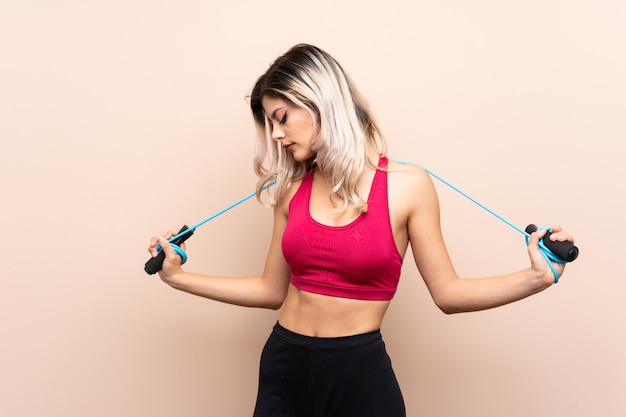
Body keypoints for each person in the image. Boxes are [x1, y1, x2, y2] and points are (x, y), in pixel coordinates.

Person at [147, 43, 574, 417]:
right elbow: (270, 290)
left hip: (358, 374)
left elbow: (449, 294)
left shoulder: (409, 186)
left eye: (281, 117)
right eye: (268, 124)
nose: (275, 135)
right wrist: (178, 277)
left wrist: (537, 276)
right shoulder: (290, 189)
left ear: (320, 103)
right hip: (283, 365)